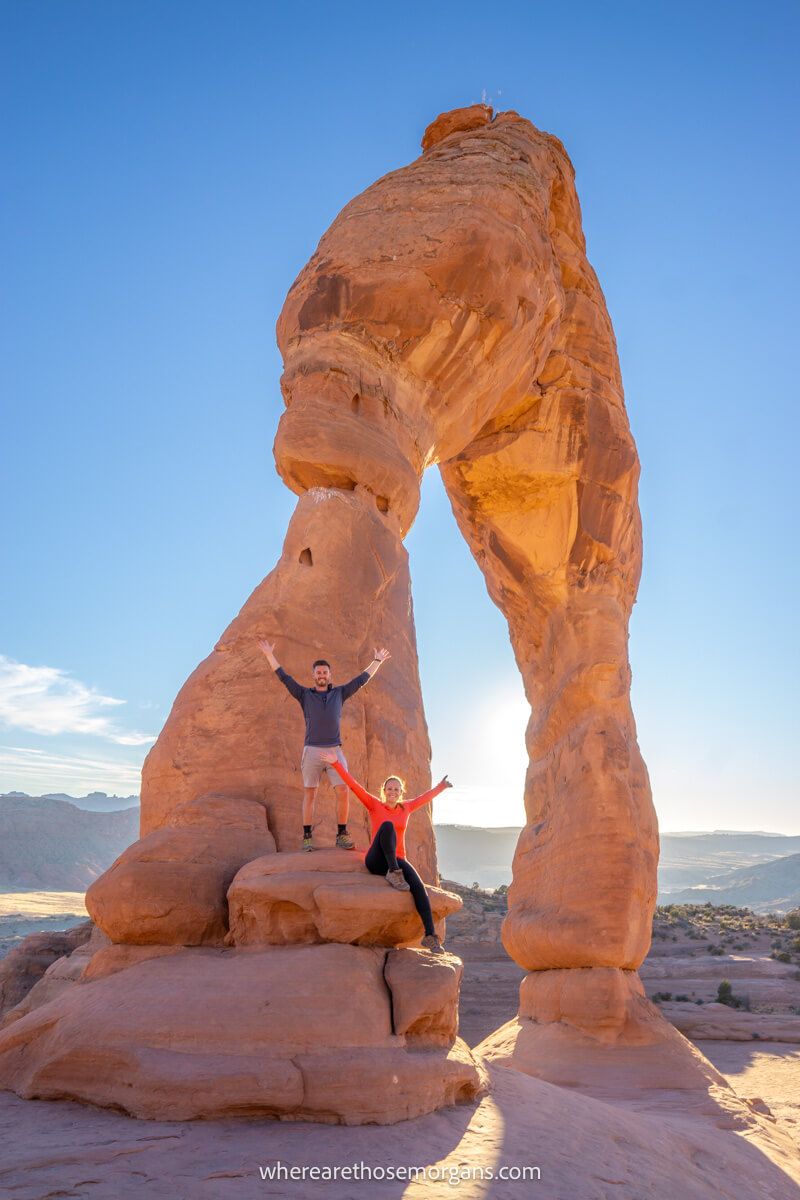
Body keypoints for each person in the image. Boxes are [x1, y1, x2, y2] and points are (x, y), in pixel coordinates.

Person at [257, 638, 390, 850]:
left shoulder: (340, 693)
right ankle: (307, 837)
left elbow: (361, 680)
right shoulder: (304, 695)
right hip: (312, 750)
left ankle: (341, 834)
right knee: (310, 793)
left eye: (324, 672)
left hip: (335, 750)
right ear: (314, 676)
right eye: (318, 672)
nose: (321, 675)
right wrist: (268, 655)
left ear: (329, 675)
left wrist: (377, 661)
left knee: (343, 790)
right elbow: (284, 677)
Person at [319, 750, 452, 953]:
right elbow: (354, 785)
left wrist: (441, 787)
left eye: (396, 789)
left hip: (398, 860)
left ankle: (430, 937)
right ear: (384, 791)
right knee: (387, 827)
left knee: (418, 887)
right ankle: (394, 873)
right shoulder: (374, 805)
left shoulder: (406, 808)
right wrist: (336, 763)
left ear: (401, 793)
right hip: (376, 861)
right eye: (389, 788)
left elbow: (424, 798)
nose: (392, 792)